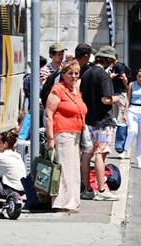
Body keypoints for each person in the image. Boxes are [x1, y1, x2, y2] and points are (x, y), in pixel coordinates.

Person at [45, 60, 87, 212]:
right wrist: (50, 138)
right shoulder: (58, 89)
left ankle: (73, 201)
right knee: (64, 169)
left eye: (76, 73)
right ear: (63, 74)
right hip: (62, 133)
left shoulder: (74, 90)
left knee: (74, 169)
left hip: (75, 134)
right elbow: (49, 114)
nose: (74, 76)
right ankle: (62, 202)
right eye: (70, 73)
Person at [80, 45, 120, 201]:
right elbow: (106, 99)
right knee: (100, 154)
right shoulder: (103, 75)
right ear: (108, 60)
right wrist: (116, 98)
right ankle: (102, 190)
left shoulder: (87, 73)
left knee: (86, 155)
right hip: (102, 122)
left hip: (88, 120)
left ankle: (87, 189)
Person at [109, 54, 129, 125]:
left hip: (120, 92)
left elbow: (124, 77)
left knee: (121, 109)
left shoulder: (119, 66)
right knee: (115, 110)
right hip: (115, 92)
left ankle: (121, 125)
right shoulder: (114, 66)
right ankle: (116, 126)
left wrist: (126, 86)